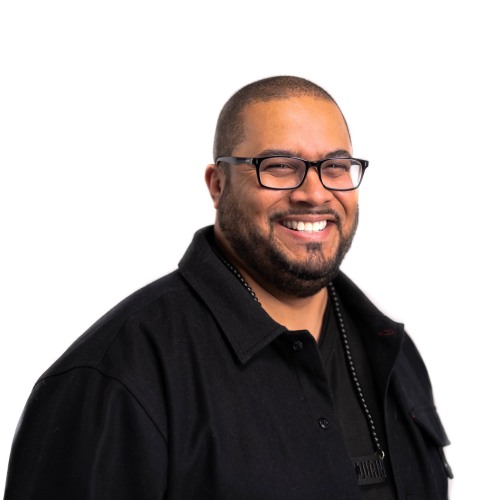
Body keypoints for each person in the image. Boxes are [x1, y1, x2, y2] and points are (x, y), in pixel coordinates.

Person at [4, 76, 452, 499]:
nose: (314, 194)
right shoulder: (115, 379)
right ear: (218, 185)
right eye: (279, 166)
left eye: (335, 167)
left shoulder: (394, 355)